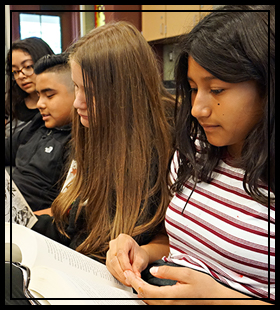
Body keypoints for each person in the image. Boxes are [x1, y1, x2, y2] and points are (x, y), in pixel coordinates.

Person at [106, 5, 275, 305]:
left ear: (267, 87)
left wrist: (216, 298)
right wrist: (142, 253)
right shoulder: (196, 148)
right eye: (194, 89)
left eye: (218, 89)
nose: (198, 109)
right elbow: (182, 246)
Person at [31, 21, 174, 265]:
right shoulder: (90, 129)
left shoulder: (163, 148)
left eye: (91, 91)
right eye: (76, 87)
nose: (77, 103)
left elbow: (169, 242)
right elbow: (73, 213)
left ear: (125, 93)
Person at [5, 53, 74, 211]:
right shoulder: (39, 123)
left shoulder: (77, 141)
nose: (40, 103)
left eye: (49, 96)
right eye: (38, 95)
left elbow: (67, 213)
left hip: (29, 222)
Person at [5, 37, 54, 137]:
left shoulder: (59, 106)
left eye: (28, 66)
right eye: (15, 71)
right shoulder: (12, 103)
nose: (21, 76)